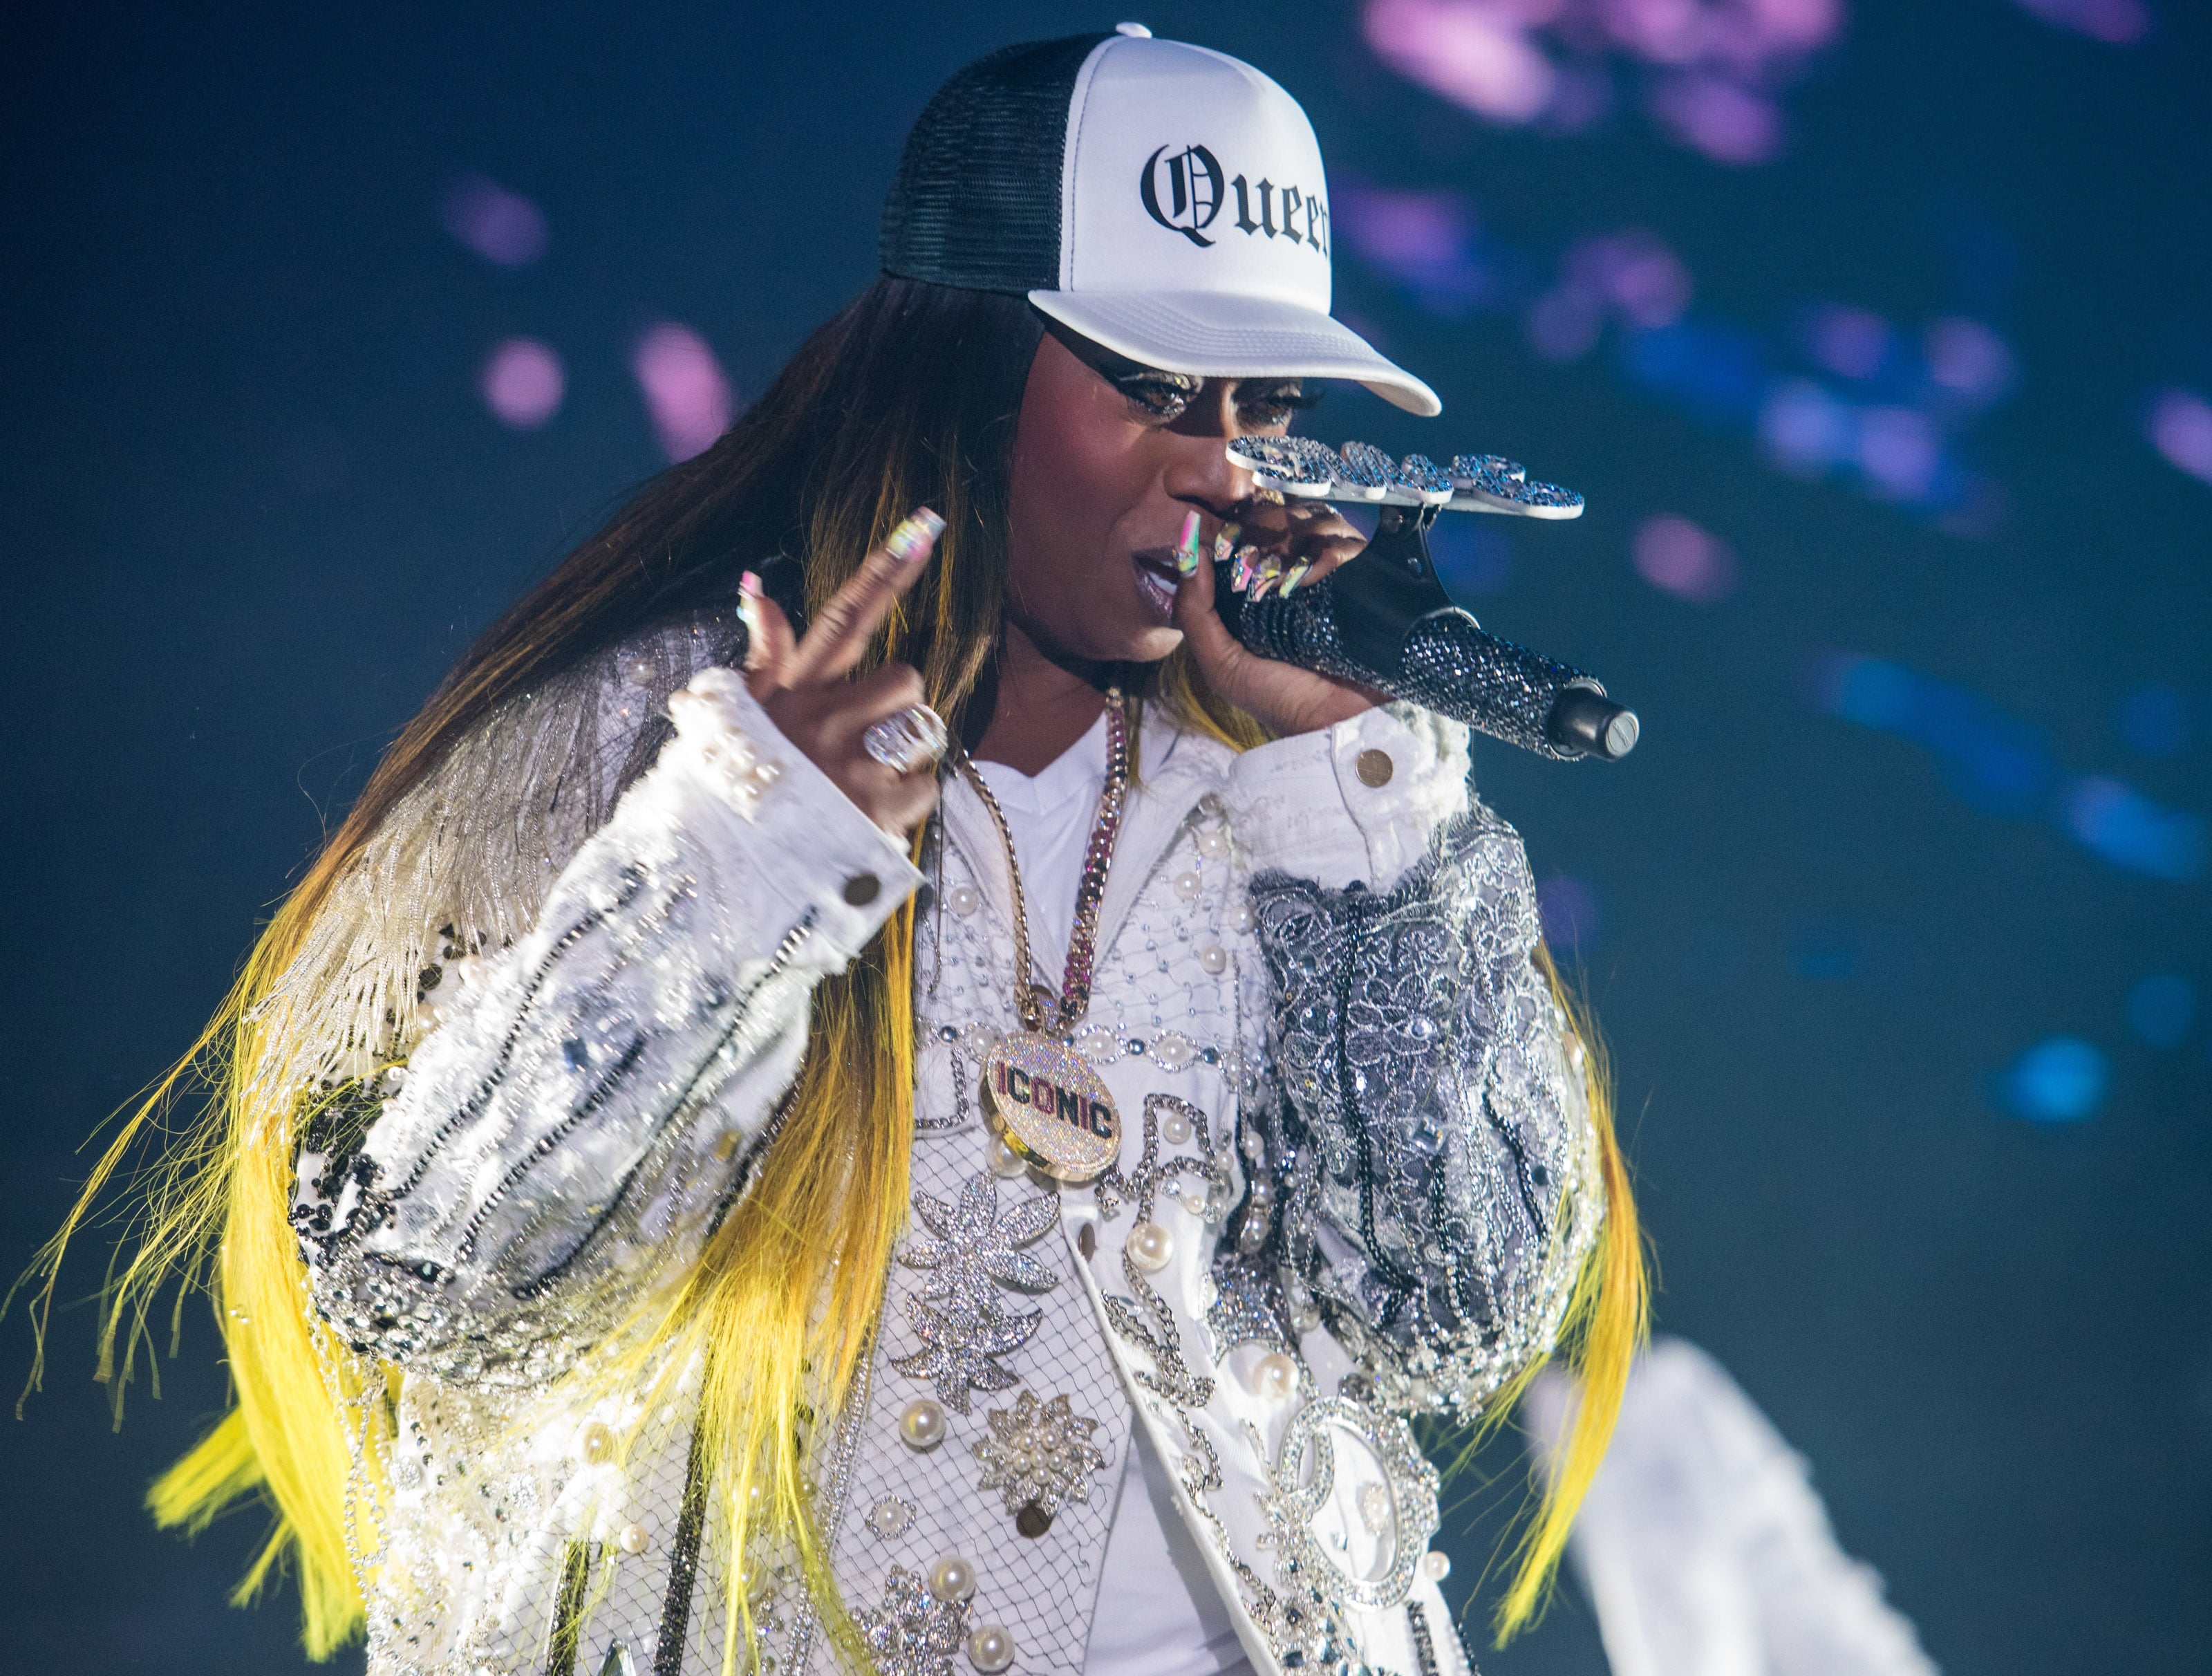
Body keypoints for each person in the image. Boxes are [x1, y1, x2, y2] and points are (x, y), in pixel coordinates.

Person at [35, 26, 1642, 1676]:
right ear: (964, 373)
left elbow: (1458, 1320)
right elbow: (425, 1292)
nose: (1222, 466)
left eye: (1270, 403)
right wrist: (740, 863)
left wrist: (1353, 799)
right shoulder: (641, 741)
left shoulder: (1318, 798)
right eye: (1155, 390)